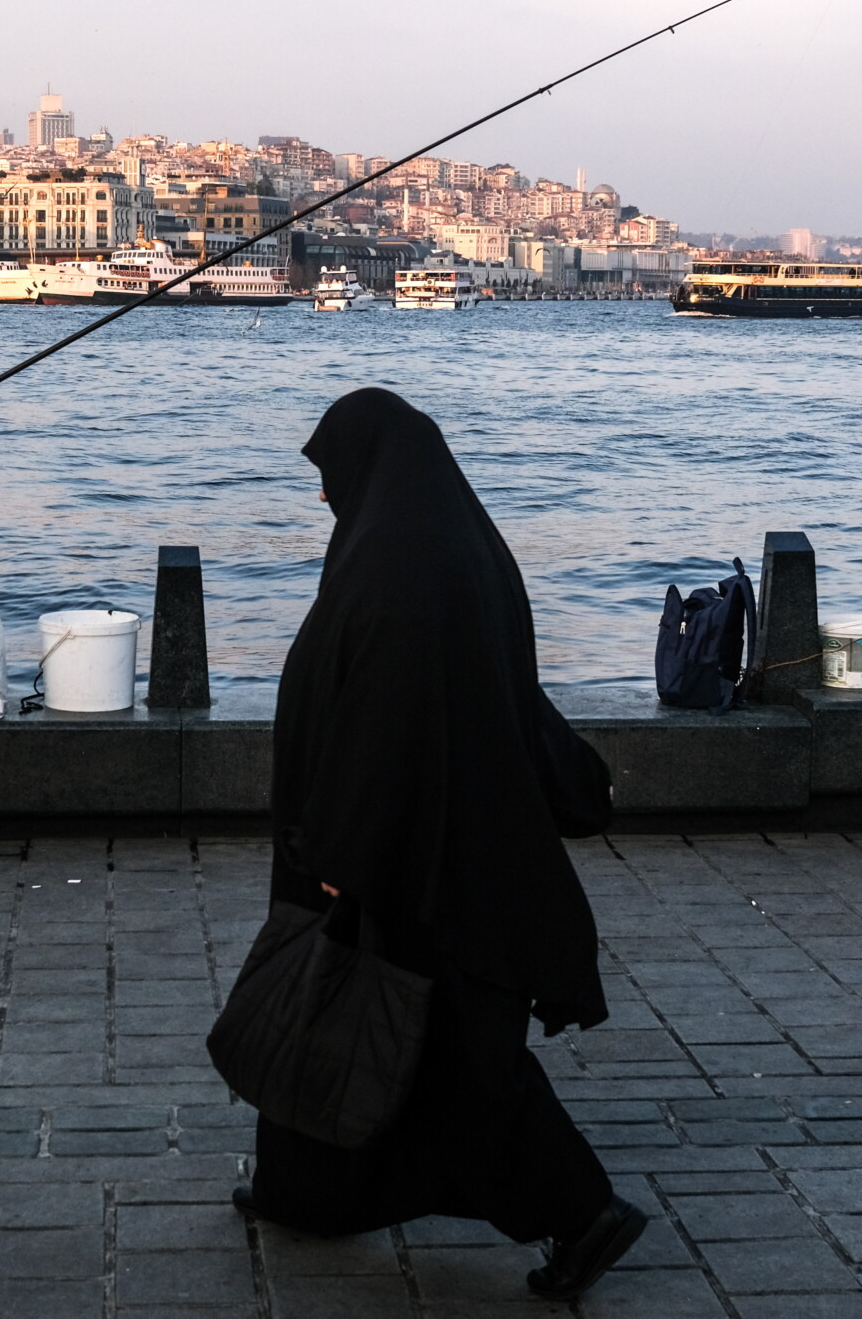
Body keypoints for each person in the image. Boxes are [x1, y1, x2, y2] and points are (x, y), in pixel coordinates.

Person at [236, 388, 646, 1301]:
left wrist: (341, 859)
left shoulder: (394, 566)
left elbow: (386, 728)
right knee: (335, 1009)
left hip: (410, 857)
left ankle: (584, 1213)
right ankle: (304, 1189)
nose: (322, 498)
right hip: (448, 838)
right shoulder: (447, 543)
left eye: (328, 477)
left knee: (436, 1052)